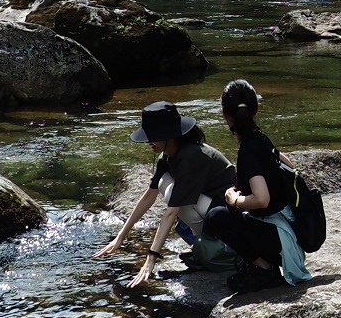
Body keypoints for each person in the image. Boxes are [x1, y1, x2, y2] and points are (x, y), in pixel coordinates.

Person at [94, 101, 238, 287]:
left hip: (227, 214)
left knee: (173, 197)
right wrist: (120, 236)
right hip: (208, 207)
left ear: (169, 135)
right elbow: (149, 195)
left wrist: (151, 259)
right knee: (164, 182)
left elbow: (171, 211)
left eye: (153, 136)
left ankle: (205, 244)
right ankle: (201, 244)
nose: (148, 141)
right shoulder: (168, 156)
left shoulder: (191, 156)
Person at [203, 79, 311, 293]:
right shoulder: (261, 139)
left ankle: (264, 268)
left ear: (225, 114)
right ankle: (260, 264)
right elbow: (288, 165)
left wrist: (235, 201)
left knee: (216, 217)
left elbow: (262, 199)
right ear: (256, 109)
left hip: (279, 240)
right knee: (226, 212)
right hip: (288, 232)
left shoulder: (249, 150)